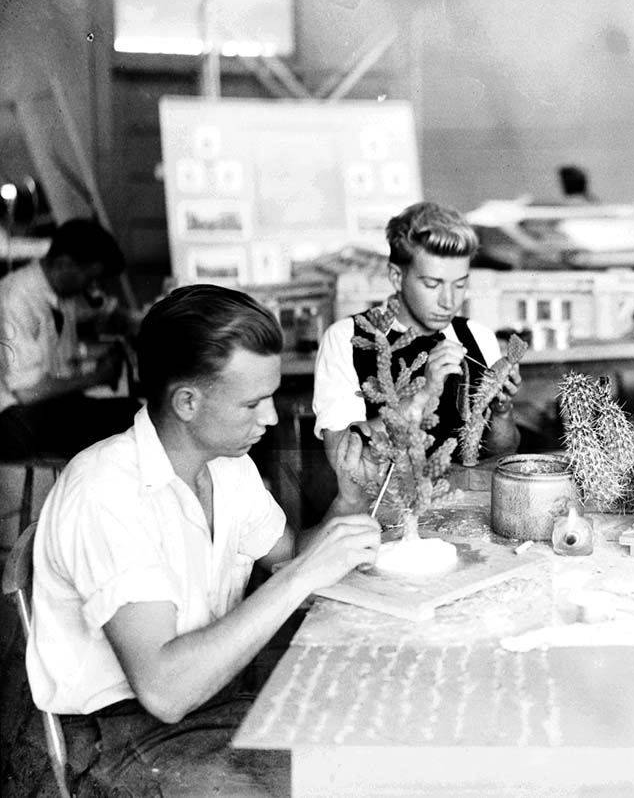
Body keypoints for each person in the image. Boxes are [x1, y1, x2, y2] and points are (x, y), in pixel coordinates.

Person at [25, 284, 382, 798]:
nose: (272, 418)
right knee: (332, 783)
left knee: (373, 751)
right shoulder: (106, 493)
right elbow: (165, 691)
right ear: (187, 402)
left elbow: (286, 556)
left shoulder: (228, 466)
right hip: (118, 739)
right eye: (254, 403)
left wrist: (348, 498)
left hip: (212, 704)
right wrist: (304, 575)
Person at [312, 201, 521, 470]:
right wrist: (423, 395)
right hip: (387, 507)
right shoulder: (345, 339)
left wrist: (503, 412)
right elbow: (343, 460)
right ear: (397, 277)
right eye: (432, 284)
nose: (449, 301)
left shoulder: (478, 336)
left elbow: (499, 453)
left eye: (460, 285)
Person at [0, 218, 140, 459]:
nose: (93, 287)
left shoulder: (61, 295)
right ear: (64, 264)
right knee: (128, 426)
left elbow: (61, 361)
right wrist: (97, 377)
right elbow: (26, 391)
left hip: (47, 405)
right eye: (90, 278)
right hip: (15, 419)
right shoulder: (16, 298)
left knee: (134, 414)